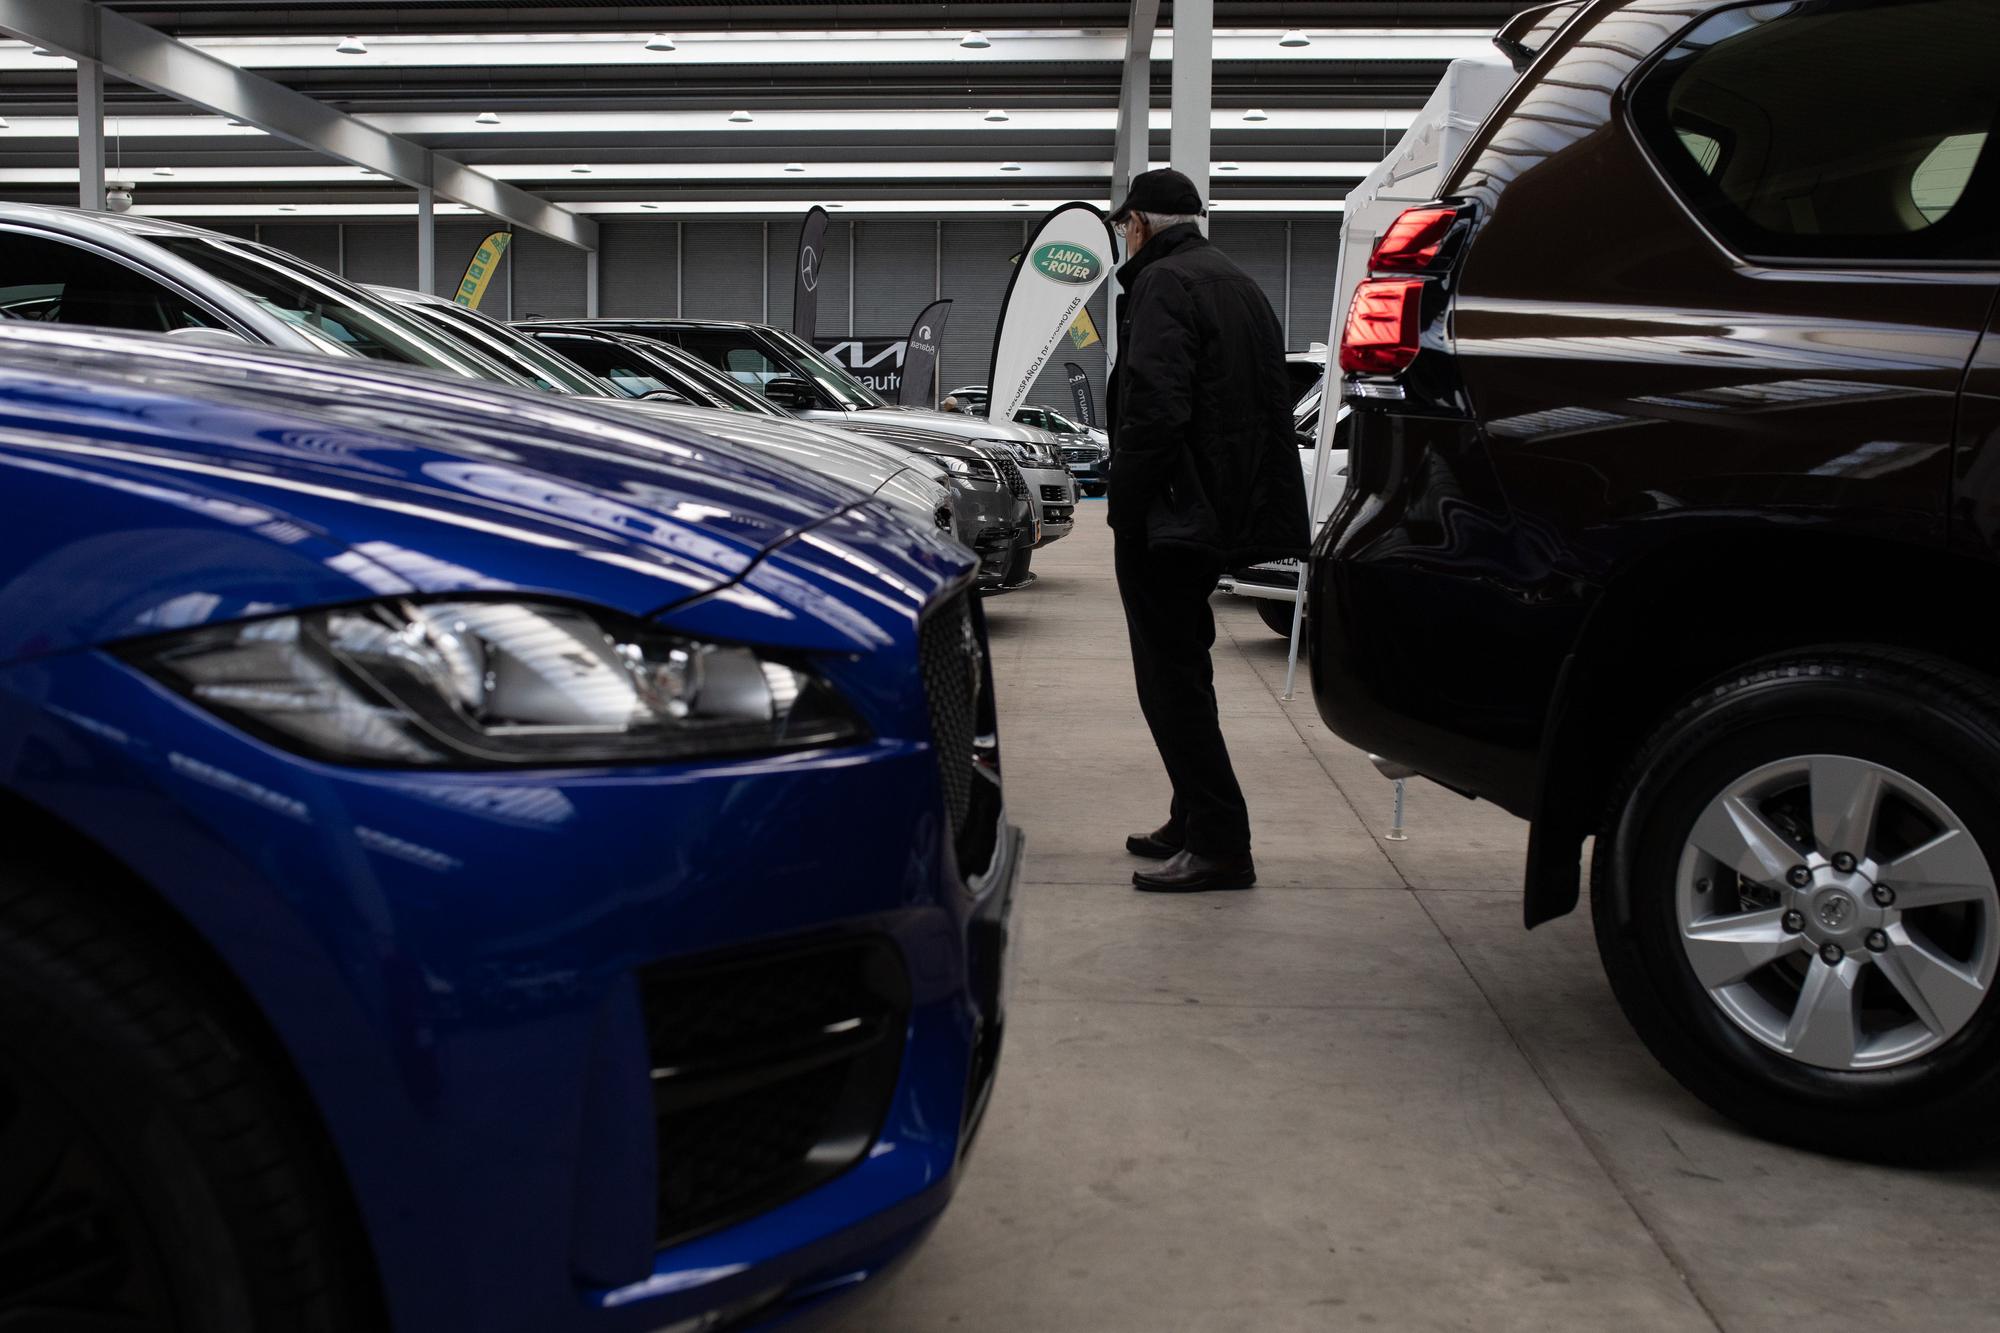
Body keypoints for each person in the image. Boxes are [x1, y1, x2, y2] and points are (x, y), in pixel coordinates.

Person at [1105, 168, 1311, 893]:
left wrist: (1124, 506)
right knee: (1186, 667)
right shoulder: (1234, 280)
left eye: (1122, 225)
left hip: (1171, 518)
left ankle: (1222, 839)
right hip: (1216, 513)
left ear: (1138, 224)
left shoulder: (1164, 284)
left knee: (1170, 681)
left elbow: (1155, 408)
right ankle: (1190, 816)